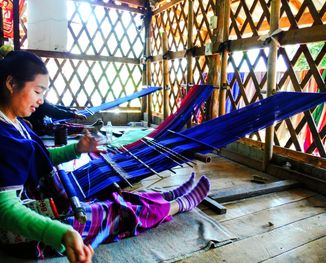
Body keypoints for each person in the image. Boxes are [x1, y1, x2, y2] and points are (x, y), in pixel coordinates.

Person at [0, 50, 210, 262]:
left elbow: (38, 158)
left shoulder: (16, 123)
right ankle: (177, 206)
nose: (41, 100)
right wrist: (61, 233)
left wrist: (76, 149)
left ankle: (166, 197)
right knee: (116, 212)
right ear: (11, 83)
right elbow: (5, 210)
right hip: (24, 234)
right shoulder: (4, 137)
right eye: (38, 91)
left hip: (42, 200)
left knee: (112, 195)